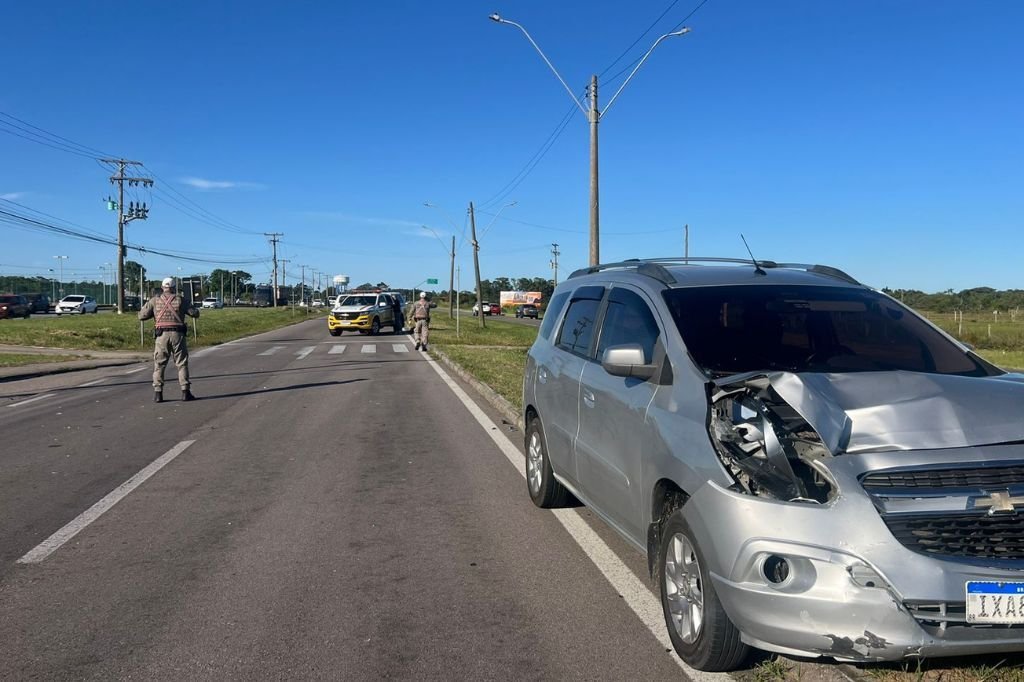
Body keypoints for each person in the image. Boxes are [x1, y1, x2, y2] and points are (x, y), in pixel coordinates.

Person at [139, 277, 200, 402]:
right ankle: (185, 392)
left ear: (162, 288)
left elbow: (142, 316)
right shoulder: (181, 300)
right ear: (174, 288)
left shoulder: (154, 301)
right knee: (181, 363)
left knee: (159, 364)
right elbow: (195, 313)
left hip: (161, 336)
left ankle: (158, 394)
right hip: (178, 335)